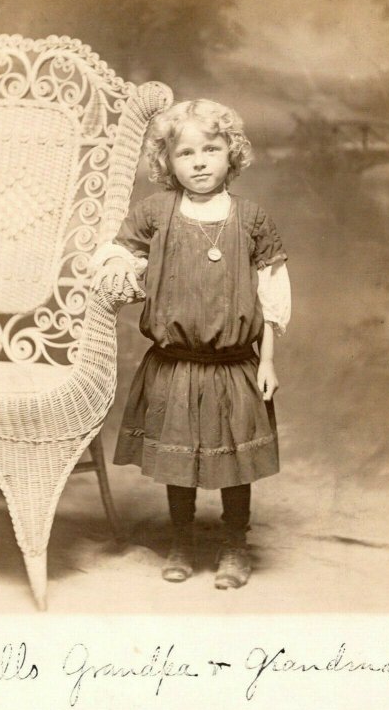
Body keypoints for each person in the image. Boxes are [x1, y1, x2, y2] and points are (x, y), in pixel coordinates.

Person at [91, 99, 291, 589]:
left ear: (232, 154)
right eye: (185, 153)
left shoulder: (251, 218)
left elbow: (273, 292)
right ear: (167, 161)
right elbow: (117, 252)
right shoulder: (156, 212)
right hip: (174, 363)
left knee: (234, 462)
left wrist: (267, 361)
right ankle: (181, 540)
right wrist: (119, 269)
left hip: (233, 365)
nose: (199, 161)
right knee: (177, 459)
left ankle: (234, 545)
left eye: (211, 148)